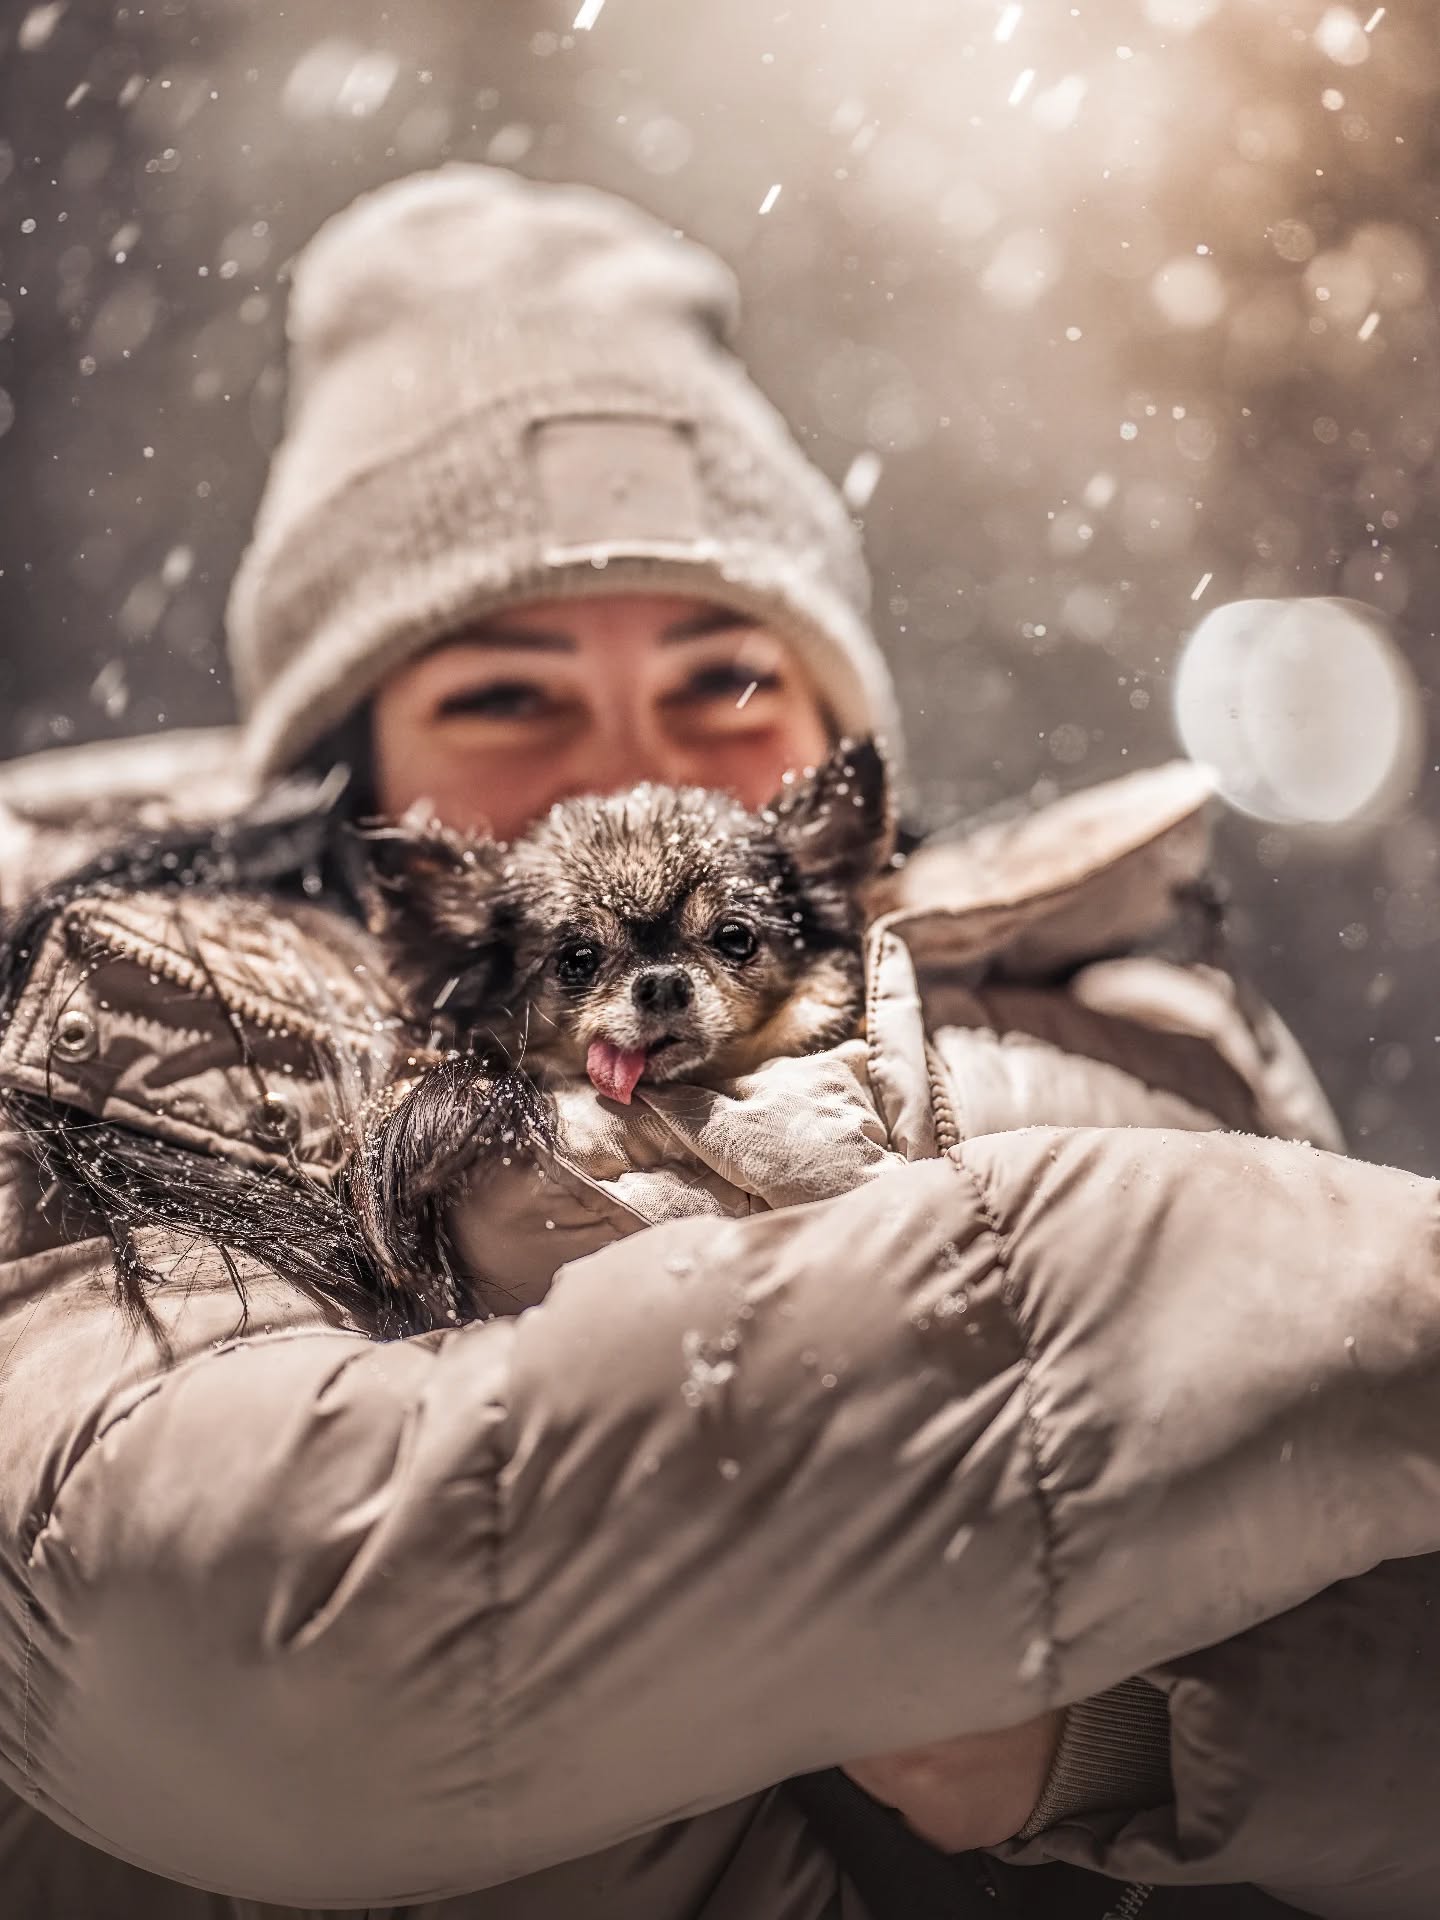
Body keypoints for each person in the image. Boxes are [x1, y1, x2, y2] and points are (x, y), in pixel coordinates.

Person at [0, 164, 1436, 1920]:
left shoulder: (1150, 1002)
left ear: (842, 751)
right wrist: (1310, 1286)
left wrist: (1126, 1747)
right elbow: (255, 1639)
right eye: (506, 696)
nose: (631, 766)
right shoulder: (128, 1037)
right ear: (358, 798)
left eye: (722, 680)